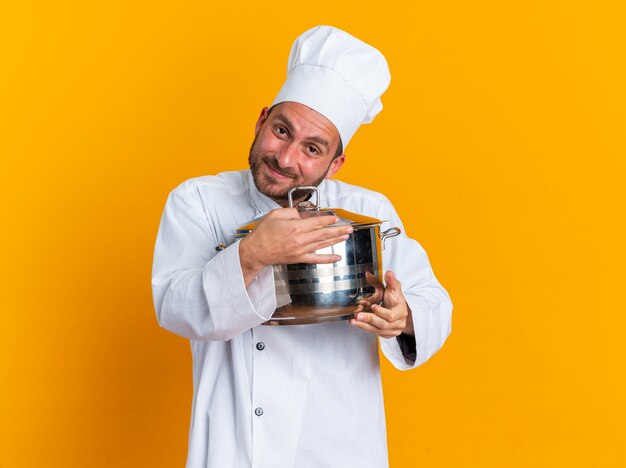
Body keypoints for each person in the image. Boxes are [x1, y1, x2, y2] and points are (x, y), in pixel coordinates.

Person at [152, 25, 452, 468]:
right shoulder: (197, 201)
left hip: (339, 445)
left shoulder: (366, 209)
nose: (287, 157)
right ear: (260, 121)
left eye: (313, 148)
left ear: (335, 164)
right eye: (280, 130)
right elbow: (174, 308)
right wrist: (253, 253)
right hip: (235, 448)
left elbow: (435, 303)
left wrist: (403, 317)